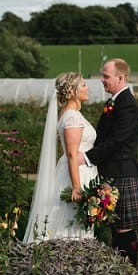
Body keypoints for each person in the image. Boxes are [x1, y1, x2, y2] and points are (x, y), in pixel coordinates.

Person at [83, 58, 138, 265]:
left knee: (123, 227)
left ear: (120, 78)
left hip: (122, 172)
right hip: (114, 170)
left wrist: (86, 158)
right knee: (115, 227)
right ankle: (120, 271)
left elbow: (117, 141)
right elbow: (104, 137)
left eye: (106, 76)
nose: (102, 80)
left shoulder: (127, 105)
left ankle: (129, 271)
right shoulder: (114, 102)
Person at [23, 72, 99, 242]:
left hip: (79, 171)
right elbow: (72, 154)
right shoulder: (72, 117)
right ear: (72, 92)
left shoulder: (69, 114)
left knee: (75, 223)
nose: (87, 88)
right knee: (71, 223)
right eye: (84, 85)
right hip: (76, 174)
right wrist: (77, 187)